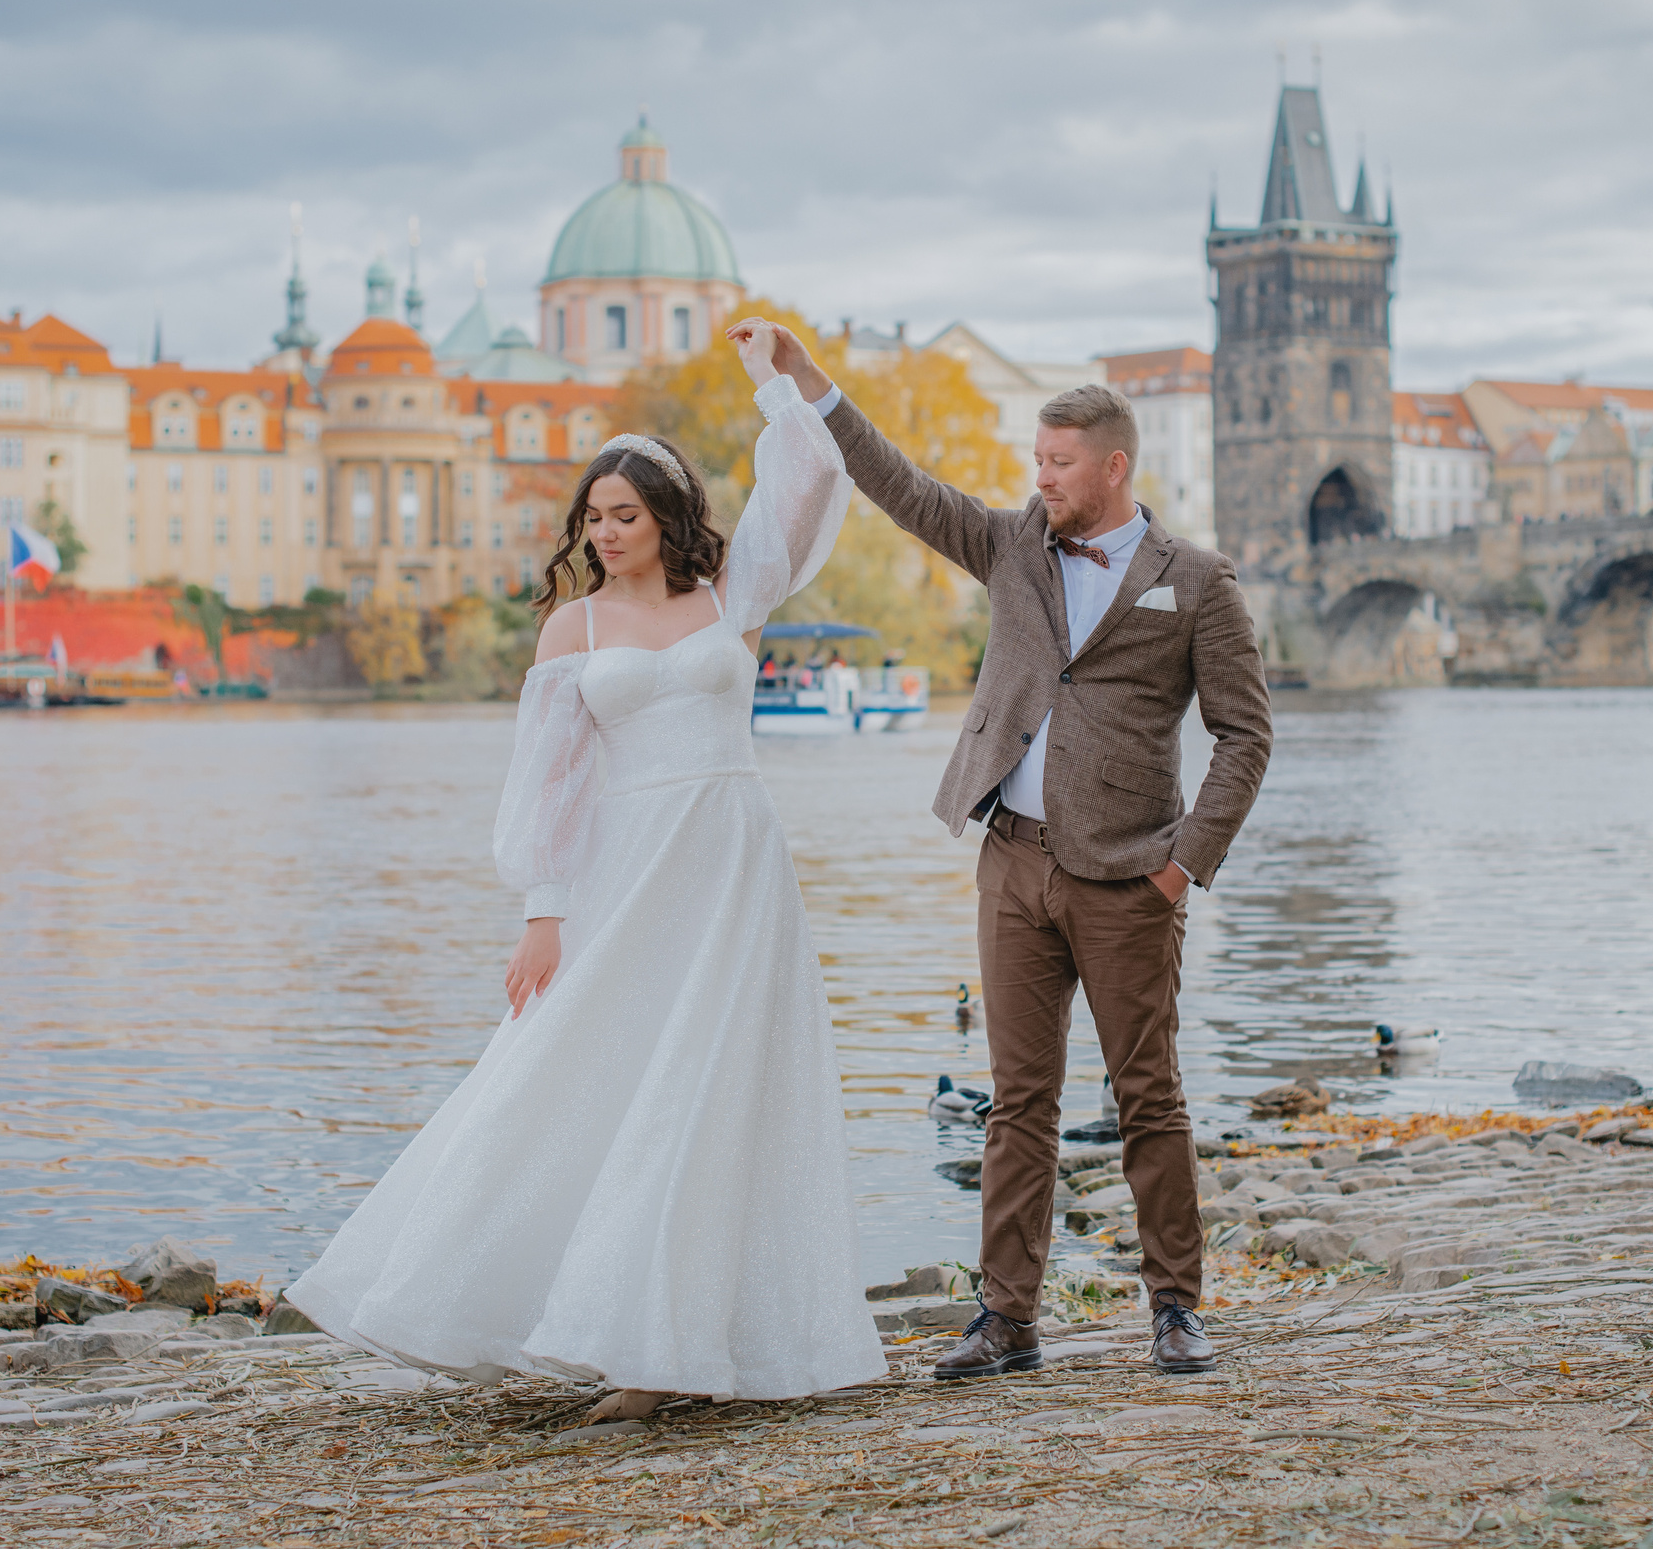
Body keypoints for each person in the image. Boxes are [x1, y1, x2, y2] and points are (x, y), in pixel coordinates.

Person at [281, 338, 883, 1419]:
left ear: (667, 517)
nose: (605, 535)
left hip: (734, 858)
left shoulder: (731, 593)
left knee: (719, 1084)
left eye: (625, 516)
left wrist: (780, 377)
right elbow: (544, 787)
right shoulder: (576, 625)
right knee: (588, 1069)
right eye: (593, 518)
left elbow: (810, 479)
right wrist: (541, 915)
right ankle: (519, 1302)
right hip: (624, 870)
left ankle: (676, 1348)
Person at [724, 319, 1272, 1380]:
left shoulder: (1195, 581)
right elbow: (901, 483)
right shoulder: (1013, 545)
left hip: (1129, 877)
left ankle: (1173, 1308)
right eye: (1036, 460)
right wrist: (809, 381)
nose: (1041, 478)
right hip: (1011, 866)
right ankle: (1008, 1318)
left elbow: (1245, 736)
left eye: (1058, 464)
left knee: (1146, 1097)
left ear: (1112, 468)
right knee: (1018, 1100)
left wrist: (1182, 863)